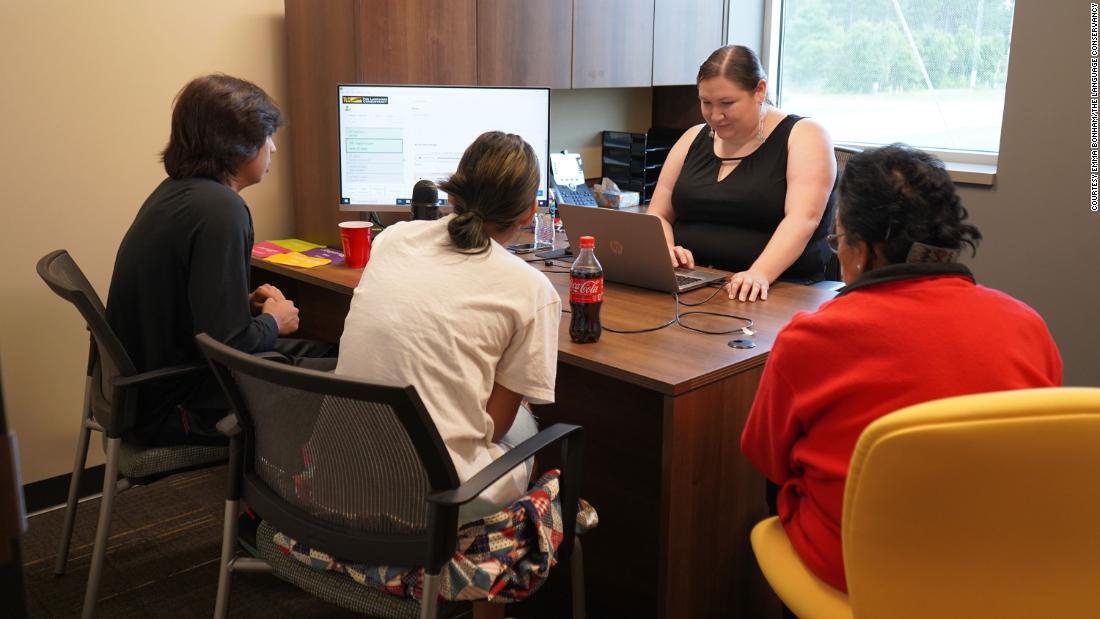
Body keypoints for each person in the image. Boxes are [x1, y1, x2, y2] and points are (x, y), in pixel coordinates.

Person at [740, 144, 1063, 593]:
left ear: (864, 248)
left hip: (859, 569)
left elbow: (767, 459)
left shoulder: (812, 339)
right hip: (999, 564)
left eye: (839, 241)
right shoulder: (1030, 327)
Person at [335, 131, 559, 618]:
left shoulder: (393, 239)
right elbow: (494, 427)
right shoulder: (532, 289)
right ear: (529, 214)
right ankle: (485, 583)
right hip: (433, 497)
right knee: (528, 429)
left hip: (342, 471)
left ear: (452, 195)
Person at [106, 74, 334, 448]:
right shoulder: (221, 210)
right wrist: (274, 321)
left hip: (153, 390)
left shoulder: (177, 195)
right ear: (239, 146)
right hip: (179, 406)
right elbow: (232, 346)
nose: (273, 148)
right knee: (360, 381)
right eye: (266, 137)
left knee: (329, 354)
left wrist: (241, 306)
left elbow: (185, 308)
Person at [647, 45, 837, 302]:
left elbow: (803, 219)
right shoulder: (691, 137)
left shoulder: (805, 135)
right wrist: (664, 250)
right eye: (706, 103)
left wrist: (760, 273)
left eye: (727, 103)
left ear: (759, 90)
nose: (715, 115)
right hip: (696, 282)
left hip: (775, 288)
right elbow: (658, 213)